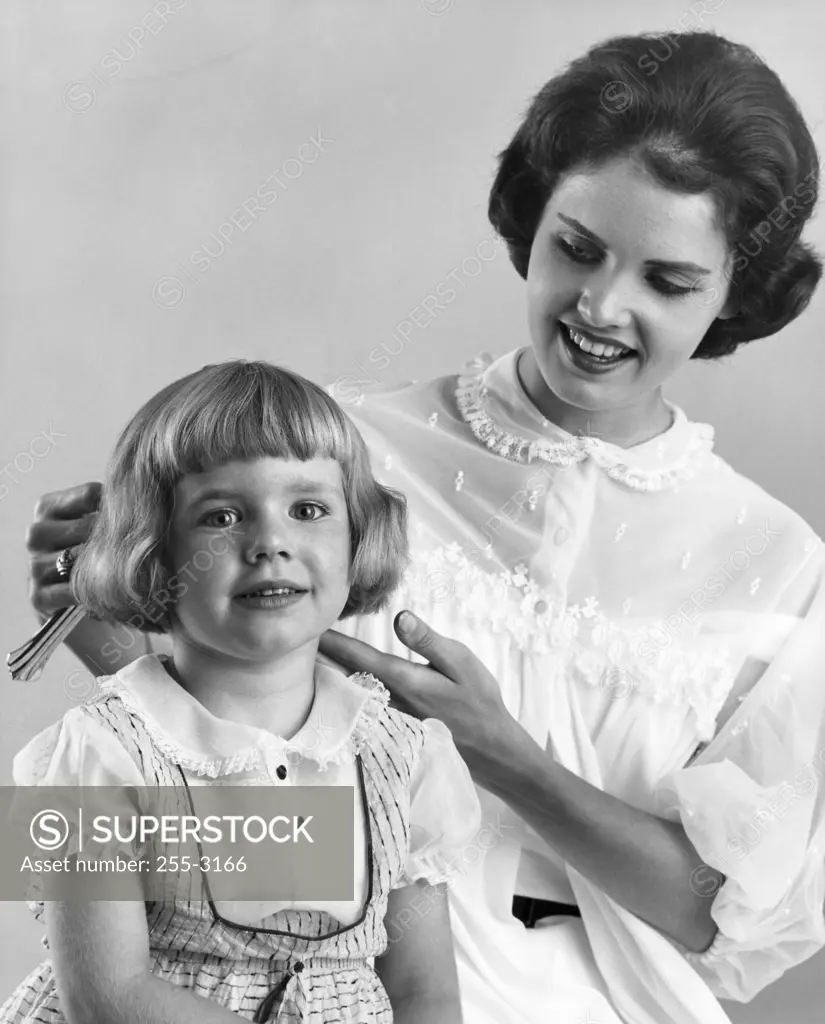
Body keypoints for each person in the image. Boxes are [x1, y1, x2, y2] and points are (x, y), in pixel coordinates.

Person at [22, 30, 825, 1024]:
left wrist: (505, 758)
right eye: (577, 248)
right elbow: (190, 784)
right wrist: (115, 615)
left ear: (737, 293)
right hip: (327, 981)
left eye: (668, 281)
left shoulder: (778, 564)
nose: (603, 306)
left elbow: (720, 921)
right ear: (531, 219)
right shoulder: (336, 454)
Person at [5, 360, 480, 1024]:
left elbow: (426, 993)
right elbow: (110, 997)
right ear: (152, 552)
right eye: (222, 515)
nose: (270, 542)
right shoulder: (100, 757)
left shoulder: (402, 756)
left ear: (356, 538)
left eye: (307, 509)